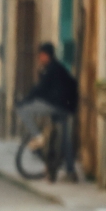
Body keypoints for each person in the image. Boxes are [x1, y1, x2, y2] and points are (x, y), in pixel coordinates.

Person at [17, 42, 79, 182]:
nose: (40, 58)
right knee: (65, 140)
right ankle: (70, 171)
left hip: (56, 106)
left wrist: (25, 101)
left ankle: (37, 136)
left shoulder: (52, 69)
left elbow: (40, 89)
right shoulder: (56, 68)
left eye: (41, 55)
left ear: (47, 55)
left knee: (23, 110)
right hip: (66, 108)